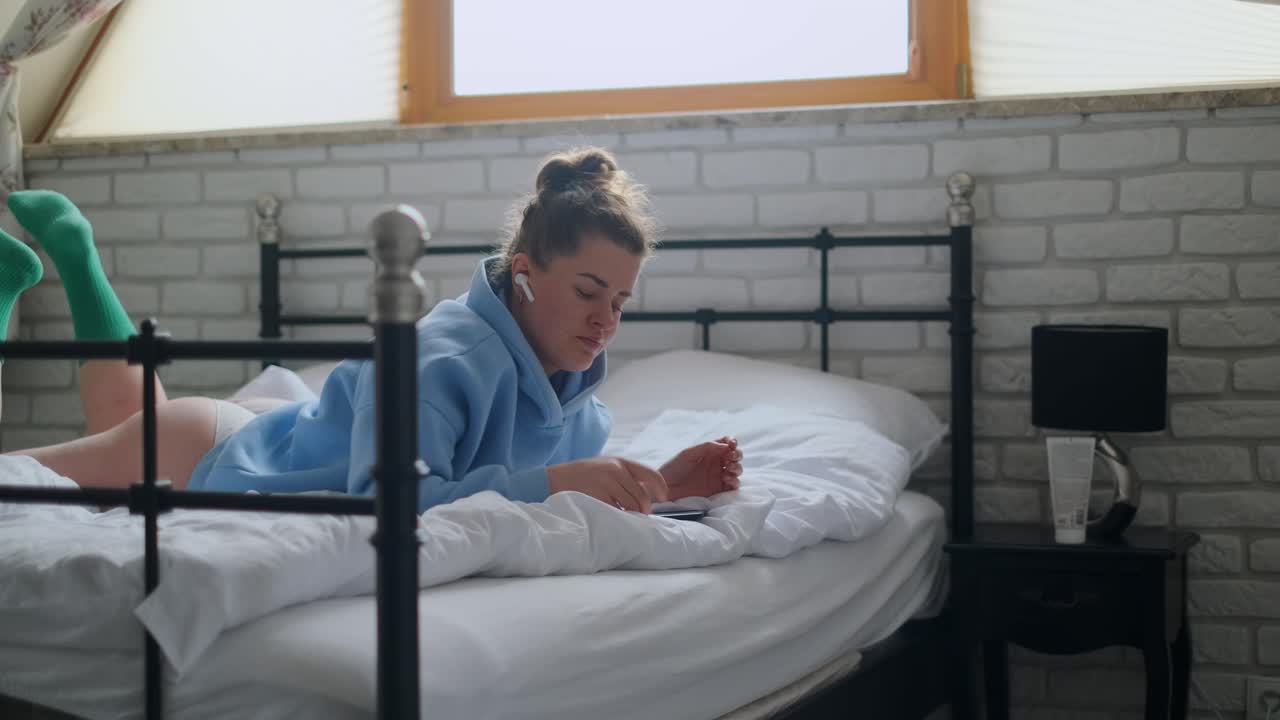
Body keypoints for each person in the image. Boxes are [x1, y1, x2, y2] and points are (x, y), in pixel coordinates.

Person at [0, 147, 742, 514]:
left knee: (122, 416)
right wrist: (549, 485)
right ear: (522, 273)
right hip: (219, 449)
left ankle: (71, 253)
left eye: (619, 301)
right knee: (20, 476)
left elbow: (568, 494)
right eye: (587, 291)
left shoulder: (579, 402)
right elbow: (383, 496)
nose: (605, 319)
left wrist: (665, 483)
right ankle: (64, 258)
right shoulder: (441, 361)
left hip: (283, 431)